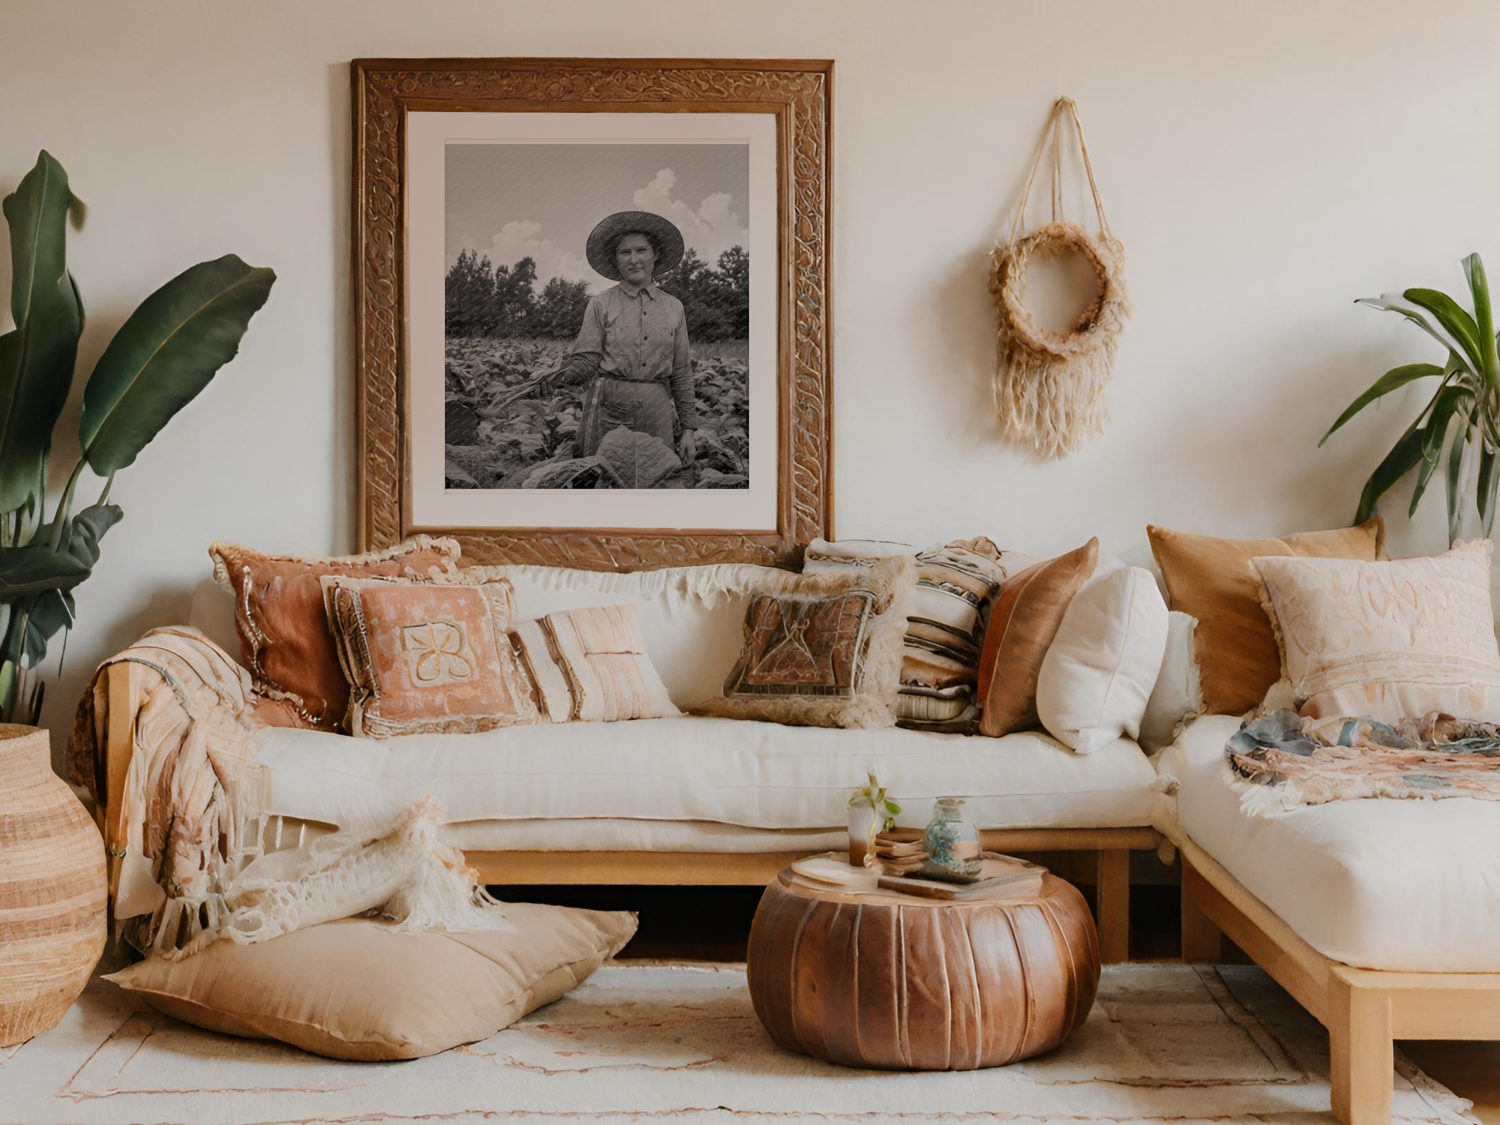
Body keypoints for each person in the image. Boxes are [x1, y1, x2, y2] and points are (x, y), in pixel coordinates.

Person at [543, 210, 711, 467]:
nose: (634, 259)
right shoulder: (601, 304)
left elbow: (681, 372)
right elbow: (586, 362)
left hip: (656, 410)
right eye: (625, 252)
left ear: (656, 254)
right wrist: (555, 376)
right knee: (605, 478)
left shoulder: (674, 307)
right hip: (608, 408)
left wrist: (688, 429)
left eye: (641, 250)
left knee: (655, 478)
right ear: (615, 260)